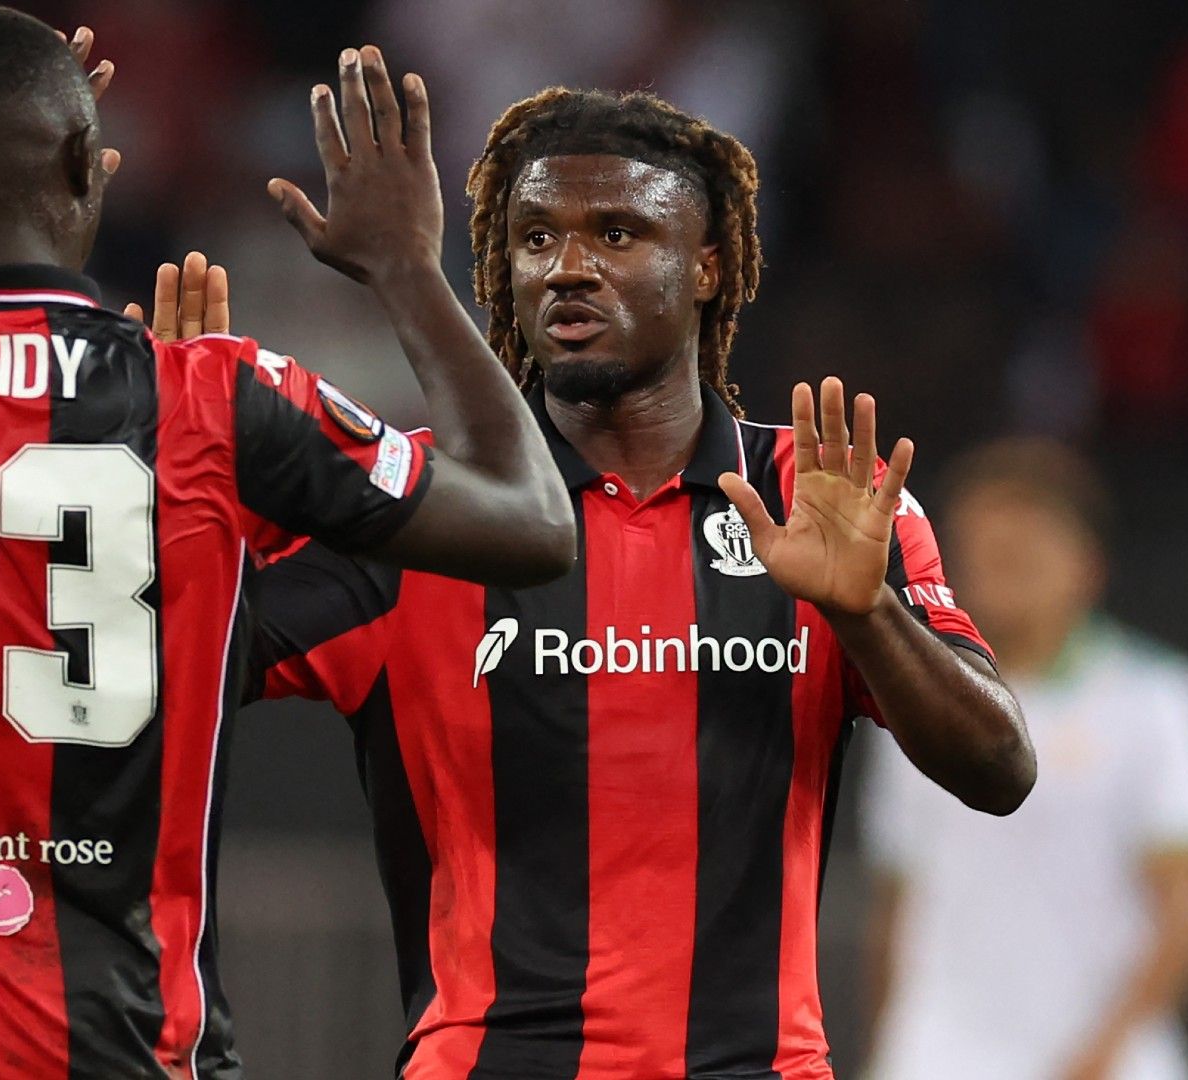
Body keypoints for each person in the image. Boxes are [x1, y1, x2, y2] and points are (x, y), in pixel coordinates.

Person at [0, 10, 572, 1079]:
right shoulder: (213, 397)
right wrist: (406, 270)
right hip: (130, 1046)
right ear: (83, 162)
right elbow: (532, 522)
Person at [243, 87, 1036, 1078]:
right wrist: (189, 488)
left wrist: (864, 607)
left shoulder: (813, 494)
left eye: (616, 233)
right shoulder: (416, 506)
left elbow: (1000, 770)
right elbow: (172, 661)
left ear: (707, 267)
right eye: (534, 237)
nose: (566, 266)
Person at [861, 439, 1188, 1080]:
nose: (1000, 571)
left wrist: (1102, 1054)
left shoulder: (1157, 697)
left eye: (1024, 554)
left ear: (1086, 566)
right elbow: (898, 902)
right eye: (984, 553)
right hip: (939, 1056)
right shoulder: (906, 699)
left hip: (1108, 1060)